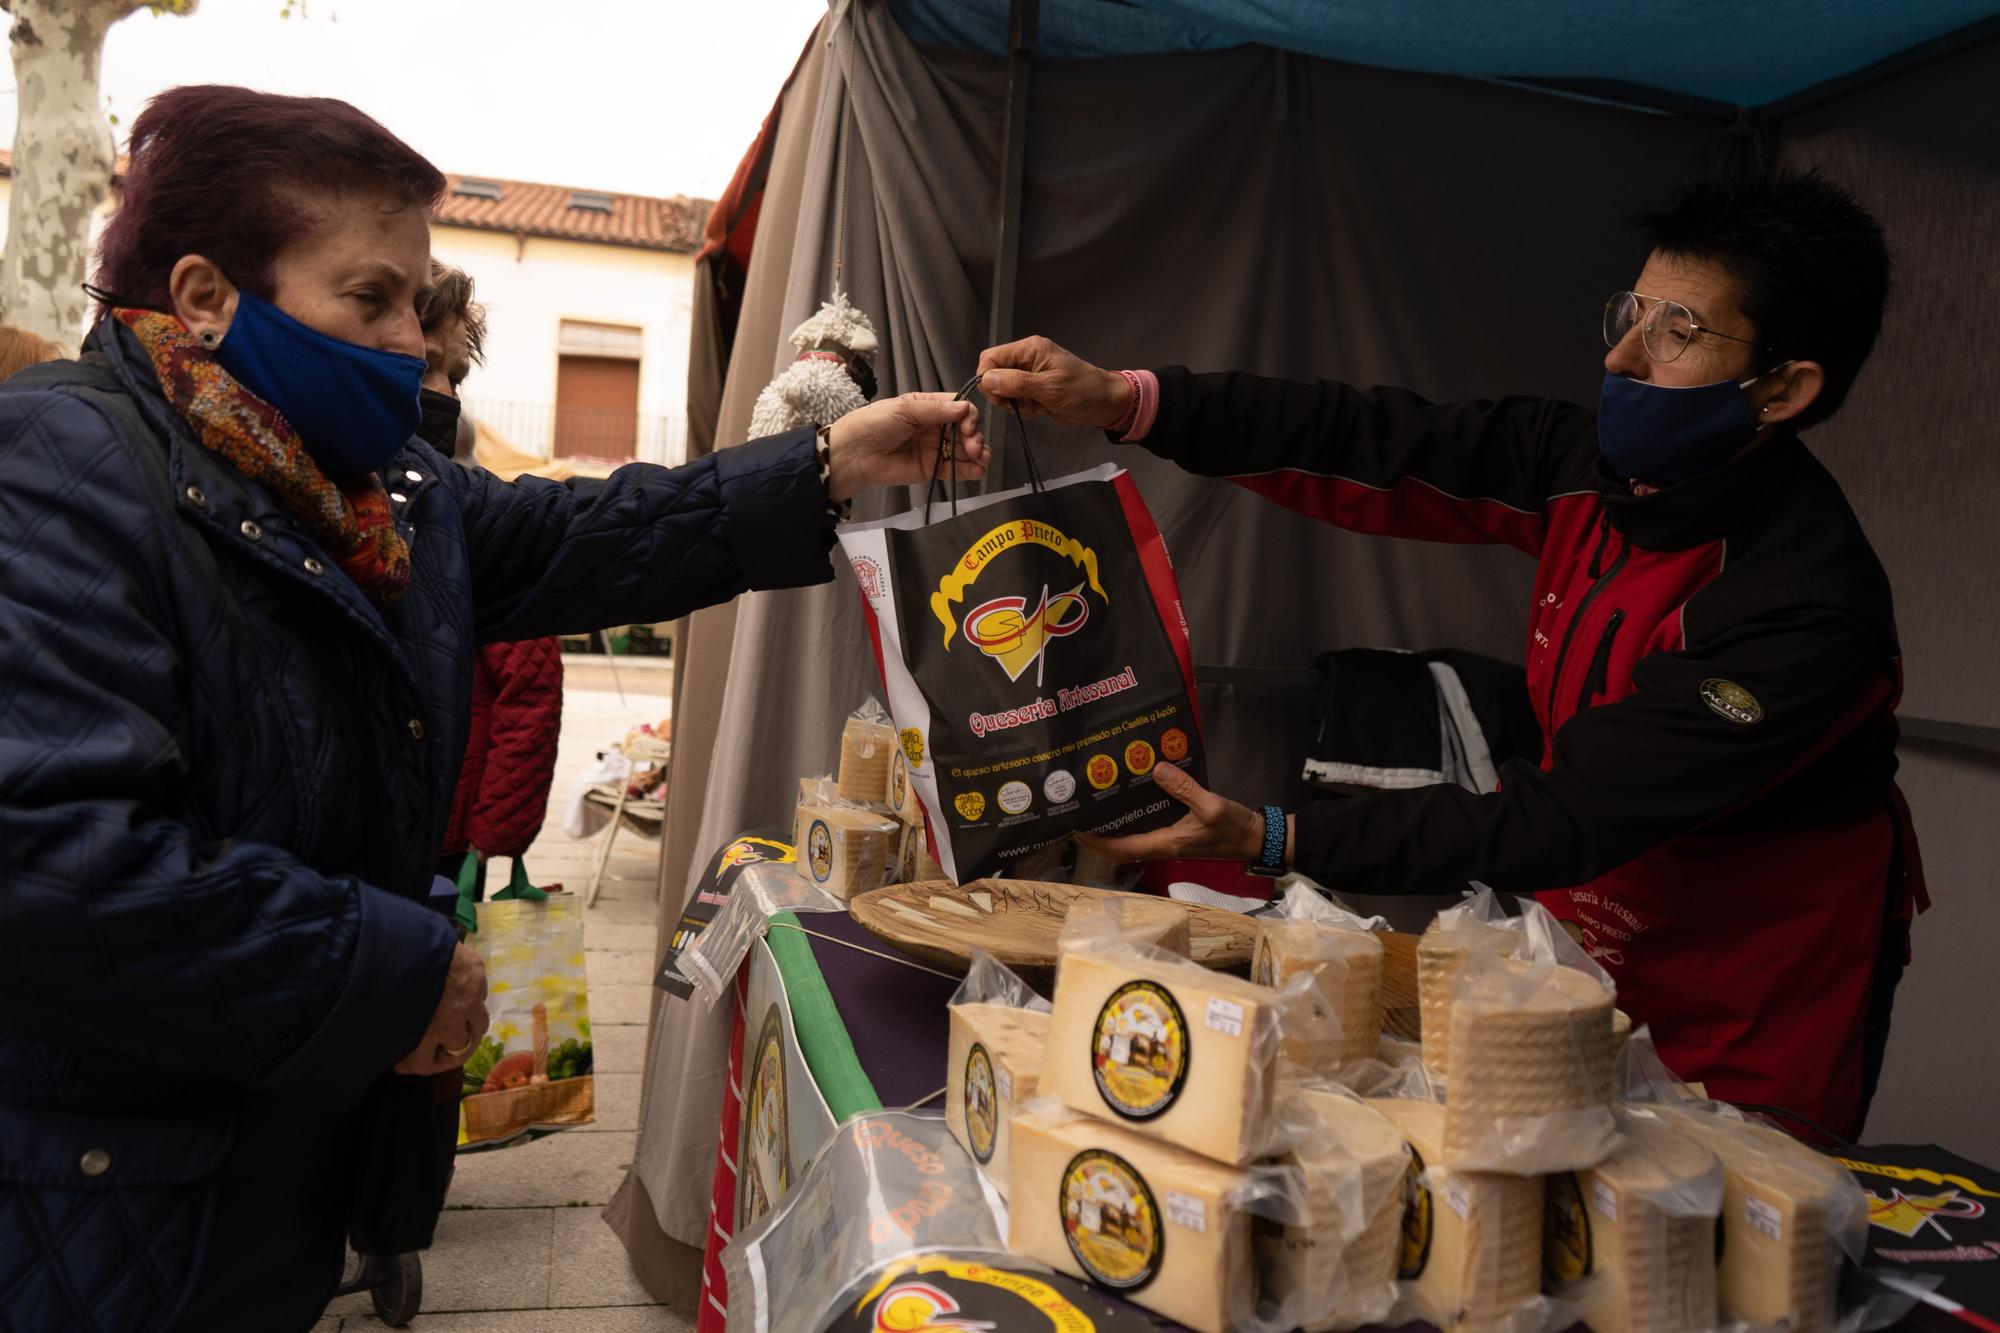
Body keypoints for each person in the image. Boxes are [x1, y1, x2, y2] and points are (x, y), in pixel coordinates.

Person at [0, 85, 985, 1333]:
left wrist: (831, 460)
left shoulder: (371, 488)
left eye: (417, 297)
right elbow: (51, 865)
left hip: (257, 1185)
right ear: (203, 297)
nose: (412, 338)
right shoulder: (61, 468)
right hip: (98, 1208)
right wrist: (398, 976)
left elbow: (600, 530)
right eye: (370, 299)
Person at [977, 170, 1918, 1141]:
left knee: (1714, 1239)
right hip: (1580, 937)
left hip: (1749, 984)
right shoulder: (1587, 466)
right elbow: (1371, 442)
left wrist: (1274, 836)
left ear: (1783, 388)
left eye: (1677, 332)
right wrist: (1126, 402)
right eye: (1629, 312)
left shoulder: (1801, 607)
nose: (1620, 355)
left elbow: (1565, 815)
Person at [416, 262, 565, 901]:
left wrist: (494, 833)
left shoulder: (479, 529)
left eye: (454, 376)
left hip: (451, 830)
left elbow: (530, 693)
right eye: (427, 368)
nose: (443, 395)